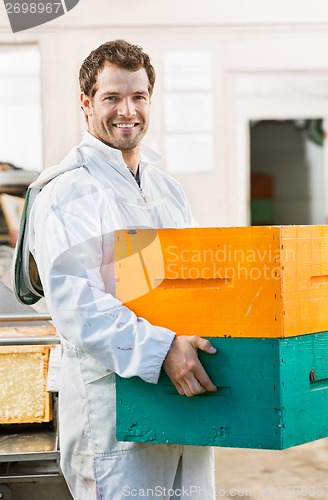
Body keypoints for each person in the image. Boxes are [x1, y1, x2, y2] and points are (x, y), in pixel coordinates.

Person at [27, 39, 217, 499]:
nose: (126, 110)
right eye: (112, 97)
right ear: (86, 103)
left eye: (138, 96)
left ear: (150, 100)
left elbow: (189, 283)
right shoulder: (67, 192)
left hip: (183, 402)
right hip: (112, 413)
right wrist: (163, 349)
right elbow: (78, 306)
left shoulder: (167, 188)